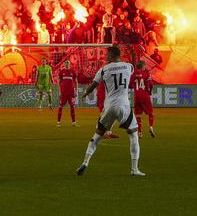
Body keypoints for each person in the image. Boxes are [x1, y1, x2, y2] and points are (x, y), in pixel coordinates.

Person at [76, 45, 143, 176]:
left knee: (97, 136)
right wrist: (134, 53)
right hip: (124, 106)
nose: (105, 57)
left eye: (107, 54)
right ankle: (134, 169)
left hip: (109, 107)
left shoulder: (103, 70)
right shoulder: (128, 66)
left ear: (112, 55)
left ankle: (85, 162)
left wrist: (85, 93)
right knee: (133, 135)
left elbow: (93, 86)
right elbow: (134, 65)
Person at [132, 60, 155, 137]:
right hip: (145, 95)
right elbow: (151, 84)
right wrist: (150, 92)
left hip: (136, 96)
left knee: (138, 115)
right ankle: (151, 127)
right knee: (151, 113)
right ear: (143, 66)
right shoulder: (146, 74)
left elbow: (129, 85)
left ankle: (139, 132)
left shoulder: (133, 74)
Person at [56, 60, 78, 127]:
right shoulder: (62, 72)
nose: (66, 64)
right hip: (63, 93)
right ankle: (58, 122)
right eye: (65, 63)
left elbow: (76, 82)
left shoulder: (73, 71)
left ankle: (73, 122)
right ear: (64, 64)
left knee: (72, 106)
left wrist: (76, 91)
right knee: (60, 106)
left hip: (71, 92)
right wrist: (59, 91)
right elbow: (59, 82)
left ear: (69, 64)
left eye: (67, 63)